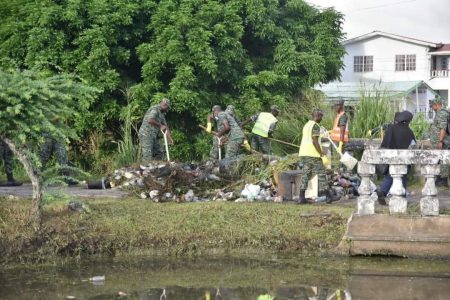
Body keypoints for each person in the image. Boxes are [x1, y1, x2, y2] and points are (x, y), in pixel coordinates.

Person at [376, 111, 416, 204]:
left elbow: (385, 142)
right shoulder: (409, 132)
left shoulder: (391, 128)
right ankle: (400, 195)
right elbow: (413, 146)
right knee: (402, 176)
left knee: (390, 174)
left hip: (390, 157)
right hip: (403, 159)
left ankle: (383, 191)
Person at [298, 109, 334, 204]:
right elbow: (314, 141)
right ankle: (328, 197)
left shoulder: (307, 125)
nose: (321, 118)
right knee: (322, 174)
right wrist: (321, 153)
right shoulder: (315, 126)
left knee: (305, 174)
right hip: (313, 154)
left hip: (304, 153)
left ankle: (301, 197)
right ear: (317, 116)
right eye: (321, 116)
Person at [138, 98, 173, 163]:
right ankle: (146, 170)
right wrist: (160, 126)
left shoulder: (162, 113)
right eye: (166, 106)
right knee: (147, 155)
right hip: (146, 134)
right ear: (163, 104)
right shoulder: (155, 109)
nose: (166, 109)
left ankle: (157, 168)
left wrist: (169, 138)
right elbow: (150, 120)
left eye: (167, 107)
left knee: (159, 153)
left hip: (154, 136)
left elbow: (165, 126)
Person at [428, 97, 450, 186]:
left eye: (432, 106)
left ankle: (443, 180)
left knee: (443, 159)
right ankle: (440, 179)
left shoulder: (442, 113)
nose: (432, 108)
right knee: (439, 159)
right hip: (438, 142)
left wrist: (440, 141)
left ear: (436, 104)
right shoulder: (439, 113)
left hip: (442, 142)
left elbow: (443, 128)